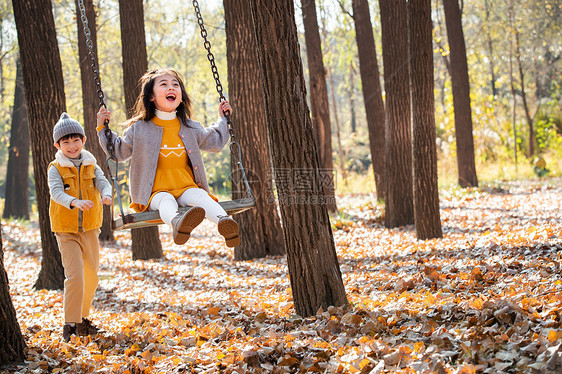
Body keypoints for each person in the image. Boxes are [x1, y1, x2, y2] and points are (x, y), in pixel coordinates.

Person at [96, 68, 240, 247]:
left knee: (201, 196)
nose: (171, 88)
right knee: (166, 201)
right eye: (164, 85)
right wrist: (103, 129)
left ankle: (224, 222)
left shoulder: (190, 127)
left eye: (175, 85)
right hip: (154, 192)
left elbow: (215, 141)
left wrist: (223, 120)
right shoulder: (140, 128)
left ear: (181, 96)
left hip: (185, 185)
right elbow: (118, 151)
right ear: (151, 97)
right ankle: (177, 222)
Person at [48, 112, 112, 342]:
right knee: (75, 276)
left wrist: (106, 194)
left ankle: (83, 319)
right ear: (58, 145)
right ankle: (70, 324)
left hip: (91, 228)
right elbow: (56, 193)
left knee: (91, 276)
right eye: (66, 142)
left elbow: (102, 181)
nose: (72, 146)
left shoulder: (90, 163)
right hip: (66, 230)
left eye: (75, 140)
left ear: (83, 141)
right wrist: (73, 202)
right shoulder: (55, 168)